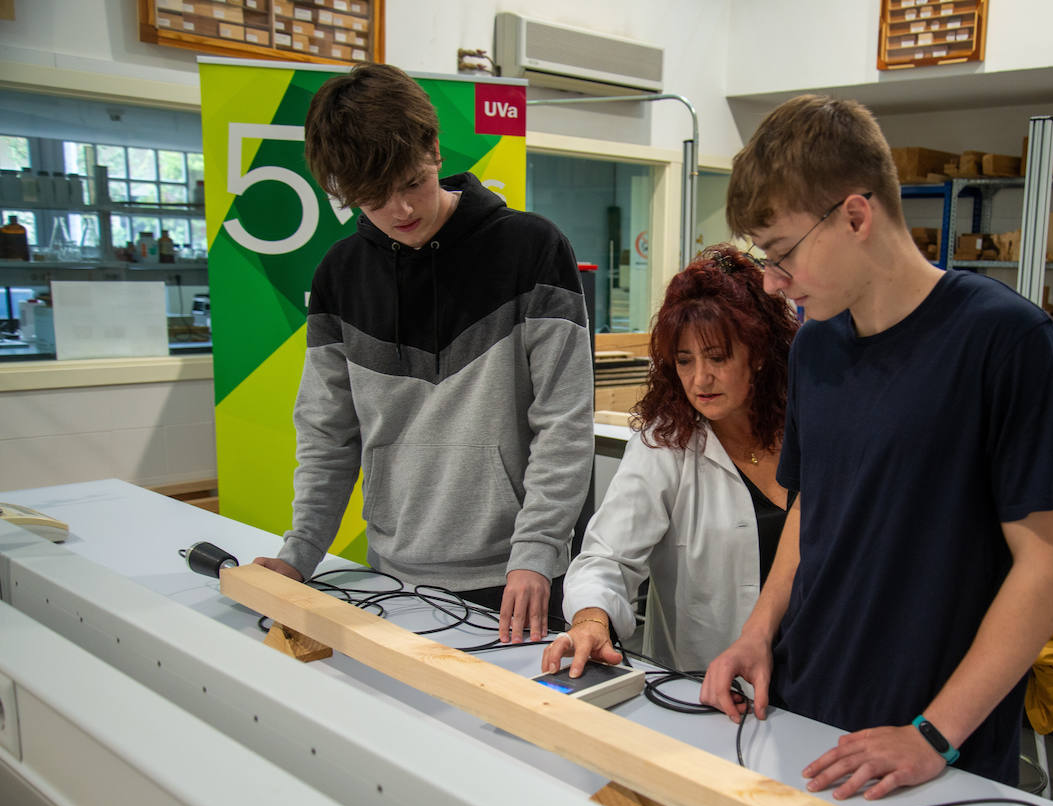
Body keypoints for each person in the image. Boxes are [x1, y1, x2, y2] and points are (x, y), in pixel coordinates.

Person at [700, 95, 1053, 799]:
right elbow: (807, 508)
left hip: (932, 737)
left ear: (855, 215)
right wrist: (757, 631)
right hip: (803, 705)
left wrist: (933, 732)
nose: (770, 280)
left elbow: (1051, 564)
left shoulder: (1007, 341)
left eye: (783, 253)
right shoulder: (815, 344)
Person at [252, 63, 593, 644]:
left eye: (411, 183)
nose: (401, 210)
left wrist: (536, 553)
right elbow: (328, 436)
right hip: (394, 574)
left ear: (434, 149)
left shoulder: (532, 249)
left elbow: (563, 424)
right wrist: (300, 552)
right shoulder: (341, 276)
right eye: (373, 198)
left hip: (520, 579)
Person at [541, 245, 799, 678]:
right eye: (685, 360)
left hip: (814, 677)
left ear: (757, 354)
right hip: (710, 685)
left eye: (717, 357)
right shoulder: (668, 443)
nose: (700, 379)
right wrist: (590, 620)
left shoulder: (808, 425)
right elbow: (608, 557)